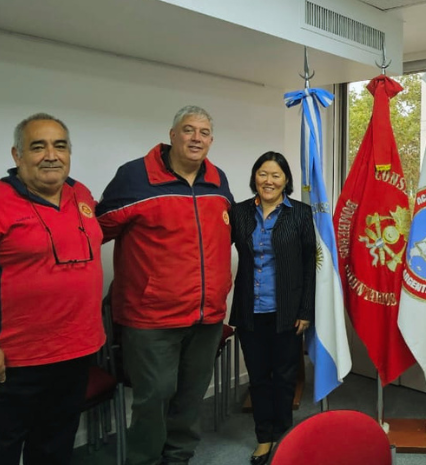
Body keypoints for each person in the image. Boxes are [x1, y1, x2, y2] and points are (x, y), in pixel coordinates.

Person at [0, 113, 105, 465]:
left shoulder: (80, 193)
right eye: (38, 146)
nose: (51, 155)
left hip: (74, 356)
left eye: (60, 146)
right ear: (17, 155)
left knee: (54, 450)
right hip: (8, 364)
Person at [97, 105, 234, 465]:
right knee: (153, 397)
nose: (196, 138)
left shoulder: (218, 180)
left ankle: (178, 458)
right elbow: (93, 232)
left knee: (189, 397)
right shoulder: (134, 177)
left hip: (207, 316)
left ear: (211, 141)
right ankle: (144, 460)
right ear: (172, 135)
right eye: (188, 130)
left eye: (204, 133)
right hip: (151, 318)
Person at [229, 152, 315, 465]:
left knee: (285, 377)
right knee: (259, 378)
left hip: (288, 313)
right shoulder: (237, 213)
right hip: (250, 312)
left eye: (276, 175)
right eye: (263, 174)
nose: (269, 181)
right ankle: (264, 438)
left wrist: (306, 310)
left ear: (286, 181)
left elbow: (309, 264)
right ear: (254, 177)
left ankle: (284, 434)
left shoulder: (301, 214)